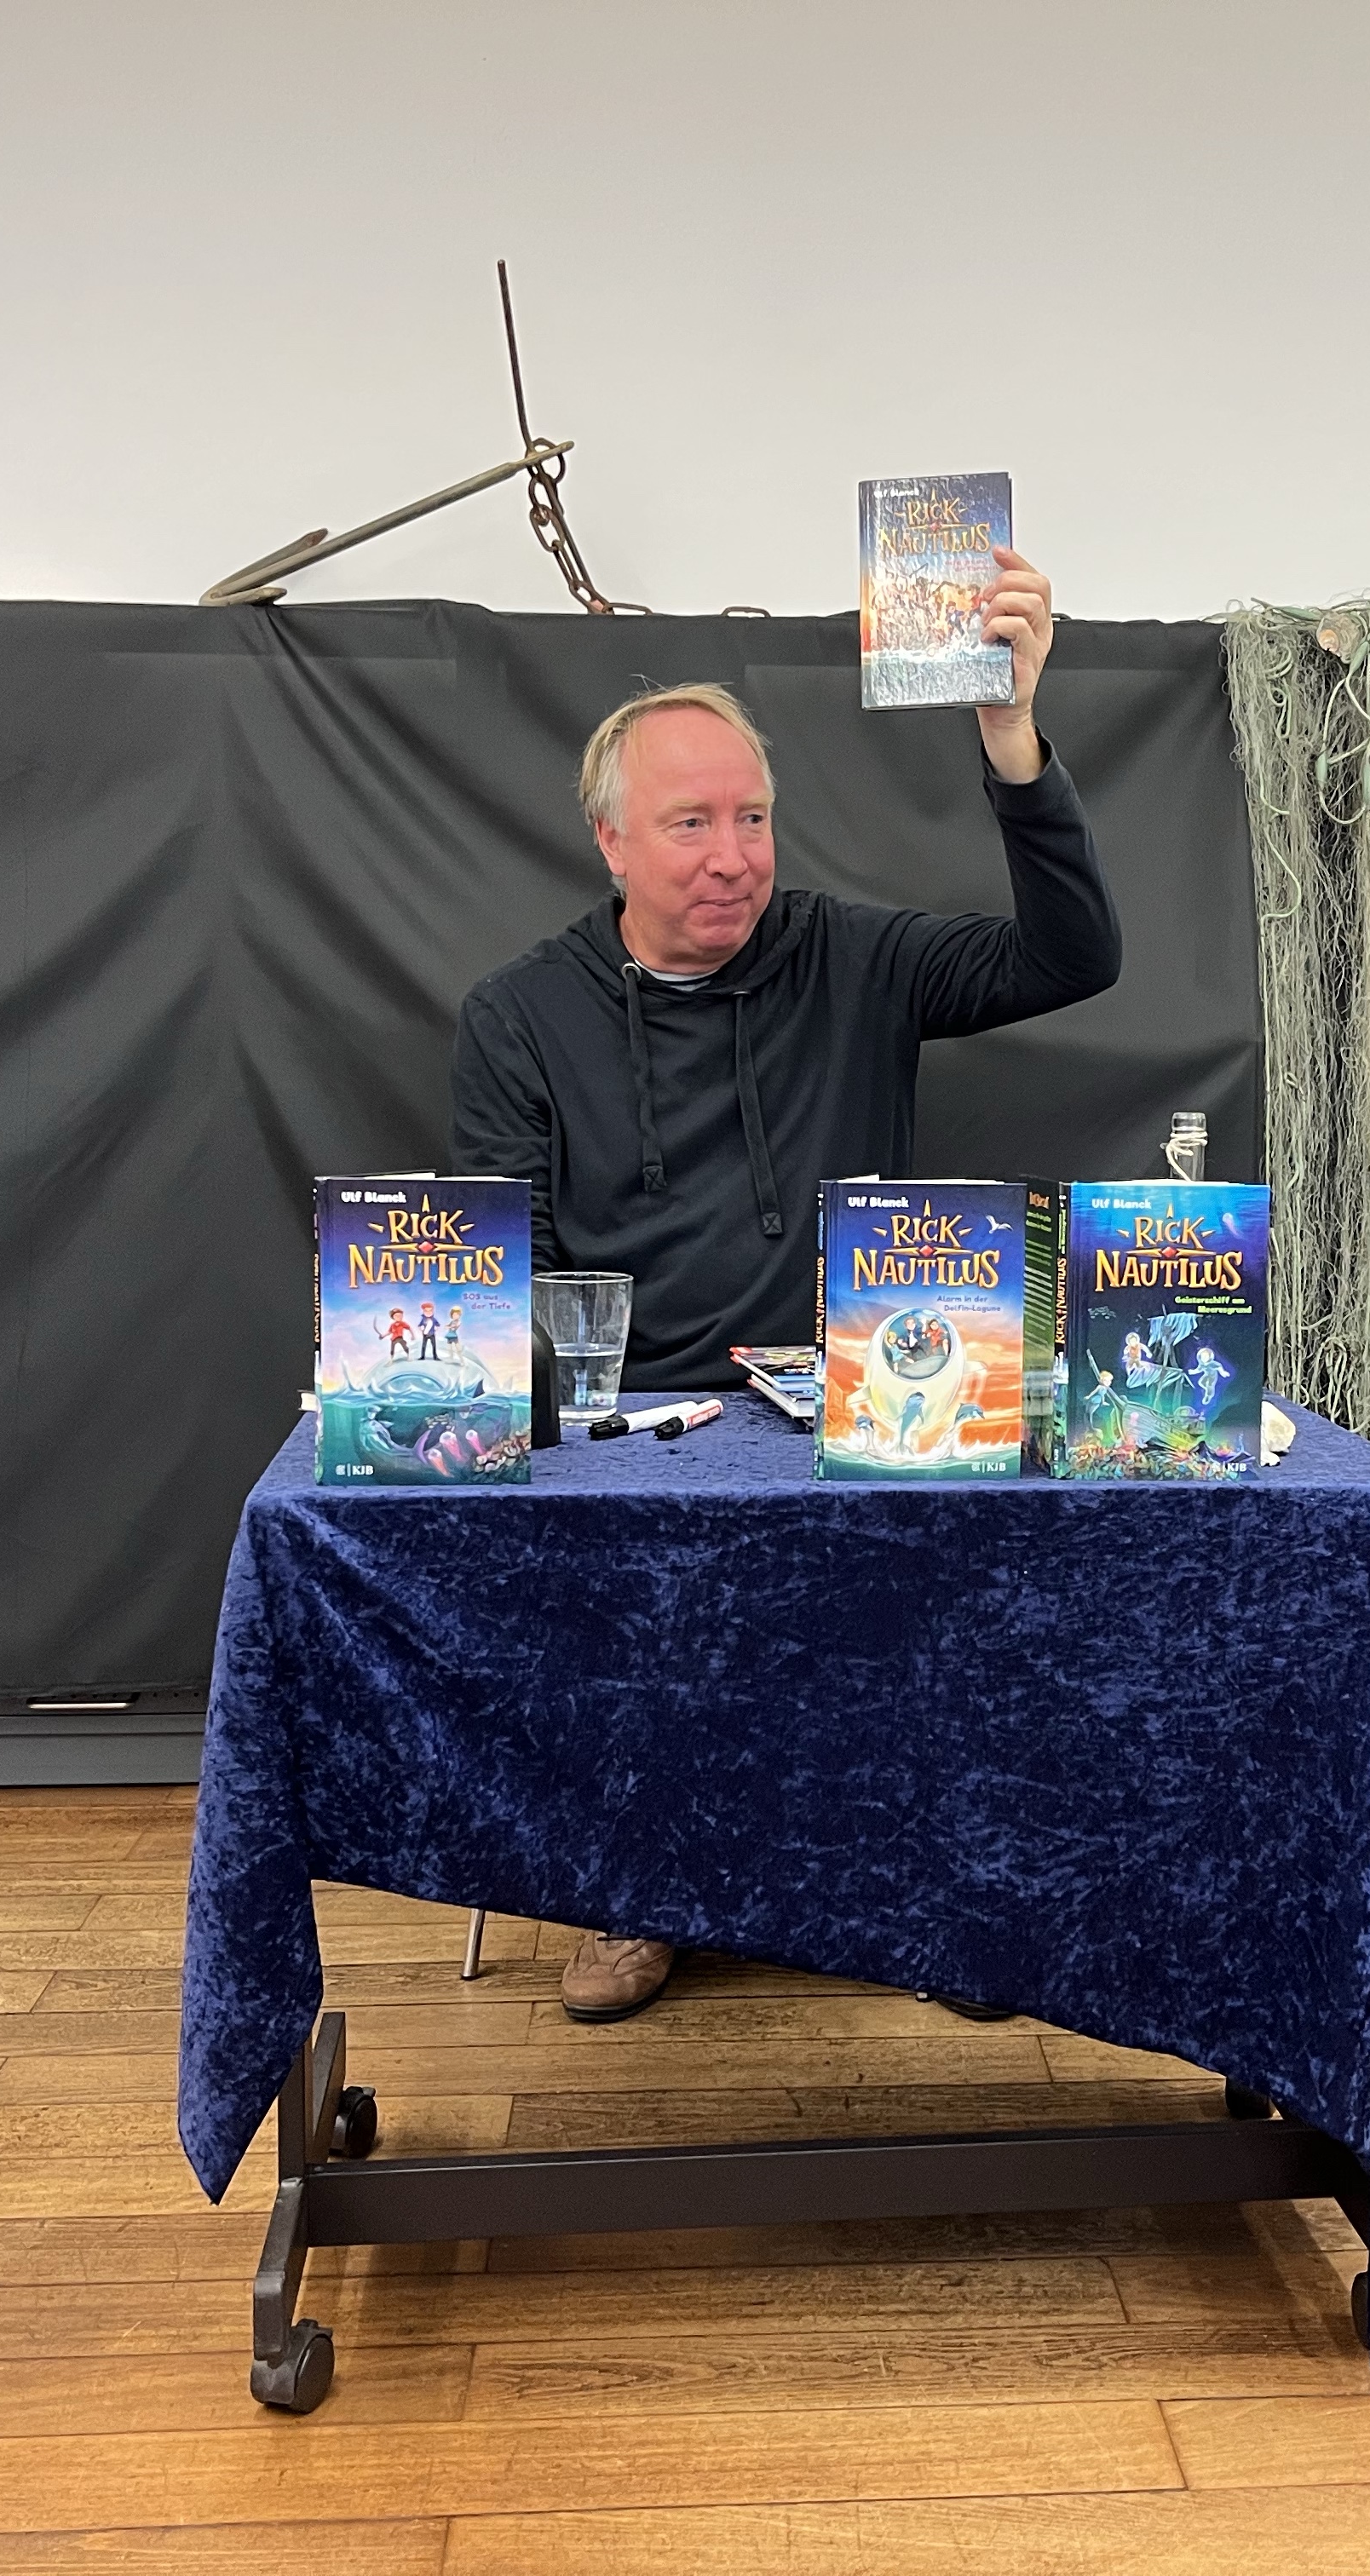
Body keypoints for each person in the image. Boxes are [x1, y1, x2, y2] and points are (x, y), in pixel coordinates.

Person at [450, 548, 1117, 2021]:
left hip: (863, 1406)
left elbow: (1075, 955)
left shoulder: (855, 959)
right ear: (612, 844)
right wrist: (584, 1420)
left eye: (750, 818)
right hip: (638, 1433)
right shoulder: (518, 1016)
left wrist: (1010, 736)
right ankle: (634, 1886)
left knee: (1002, 1559)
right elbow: (509, 1269)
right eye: (690, 823)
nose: (732, 856)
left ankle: (930, 1891)